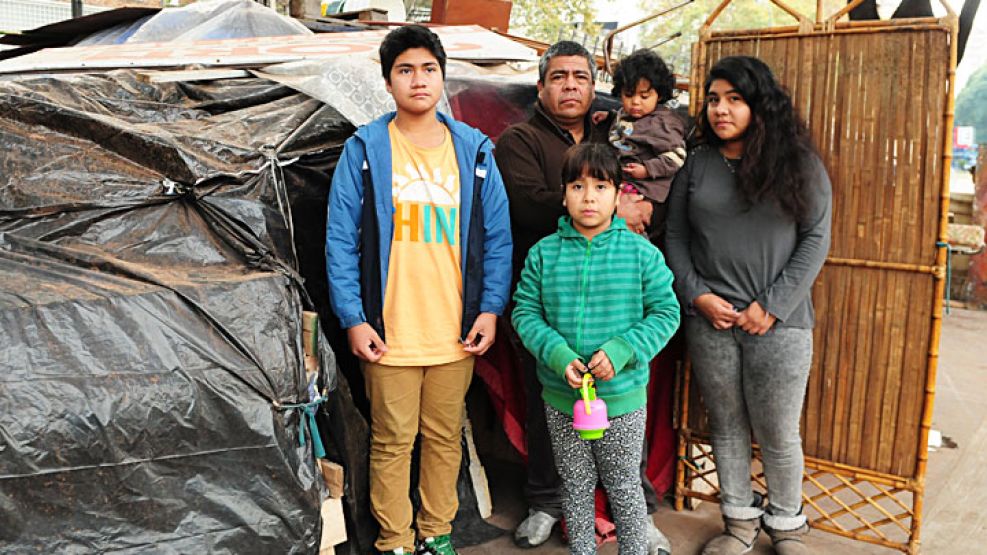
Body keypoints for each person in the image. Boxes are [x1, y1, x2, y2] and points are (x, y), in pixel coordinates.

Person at [325, 25, 512, 555]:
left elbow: (497, 237)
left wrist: (490, 309)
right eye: (405, 70)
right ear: (388, 82)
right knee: (391, 441)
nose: (418, 79)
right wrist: (354, 318)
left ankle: (436, 533)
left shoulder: (473, 152)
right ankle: (394, 541)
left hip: (455, 327)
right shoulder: (364, 150)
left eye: (428, 68)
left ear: (442, 76)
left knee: (445, 436)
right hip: (390, 330)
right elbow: (340, 241)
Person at [494, 40, 667, 552]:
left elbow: (663, 309)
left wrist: (628, 212)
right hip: (554, 307)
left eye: (581, 77)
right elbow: (526, 205)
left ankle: (633, 516)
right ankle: (548, 505)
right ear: (541, 85)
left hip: (619, 336)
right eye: (559, 76)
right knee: (551, 419)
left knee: (621, 449)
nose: (571, 85)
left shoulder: (610, 131)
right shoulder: (520, 139)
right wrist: (614, 213)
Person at [664, 55, 832, 555]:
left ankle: (787, 525)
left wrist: (773, 305)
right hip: (710, 319)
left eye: (735, 99)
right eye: (714, 99)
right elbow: (675, 236)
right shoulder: (697, 164)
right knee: (727, 424)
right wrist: (696, 294)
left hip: (780, 325)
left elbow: (816, 238)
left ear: (760, 105)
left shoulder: (799, 164)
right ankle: (738, 523)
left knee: (778, 429)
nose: (721, 109)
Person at [512, 143, 680, 555]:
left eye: (601, 186)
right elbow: (525, 313)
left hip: (622, 399)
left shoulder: (641, 254)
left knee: (624, 487)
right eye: (577, 185)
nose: (589, 197)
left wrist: (623, 349)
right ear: (564, 192)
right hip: (561, 397)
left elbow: (666, 312)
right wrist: (556, 354)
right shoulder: (543, 254)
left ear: (619, 193)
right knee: (575, 485)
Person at [604, 49, 687, 244]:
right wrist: (608, 117)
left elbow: (677, 156)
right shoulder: (625, 114)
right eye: (629, 94)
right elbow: (626, 128)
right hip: (620, 184)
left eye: (644, 96)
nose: (635, 102)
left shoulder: (664, 124)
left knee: (629, 233)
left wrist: (648, 170)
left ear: (658, 95)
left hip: (644, 190)